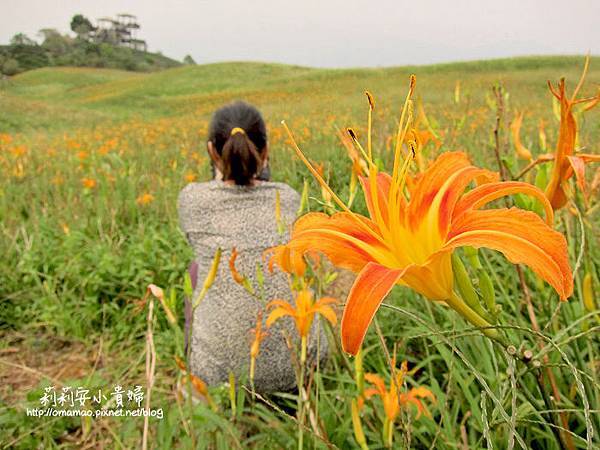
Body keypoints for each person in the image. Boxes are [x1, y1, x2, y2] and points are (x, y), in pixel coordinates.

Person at [178, 101, 327, 393]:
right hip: (304, 366)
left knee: (196, 270)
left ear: (211, 151)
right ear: (266, 150)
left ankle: (196, 378)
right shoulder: (290, 198)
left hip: (221, 377)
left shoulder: (191, 200)